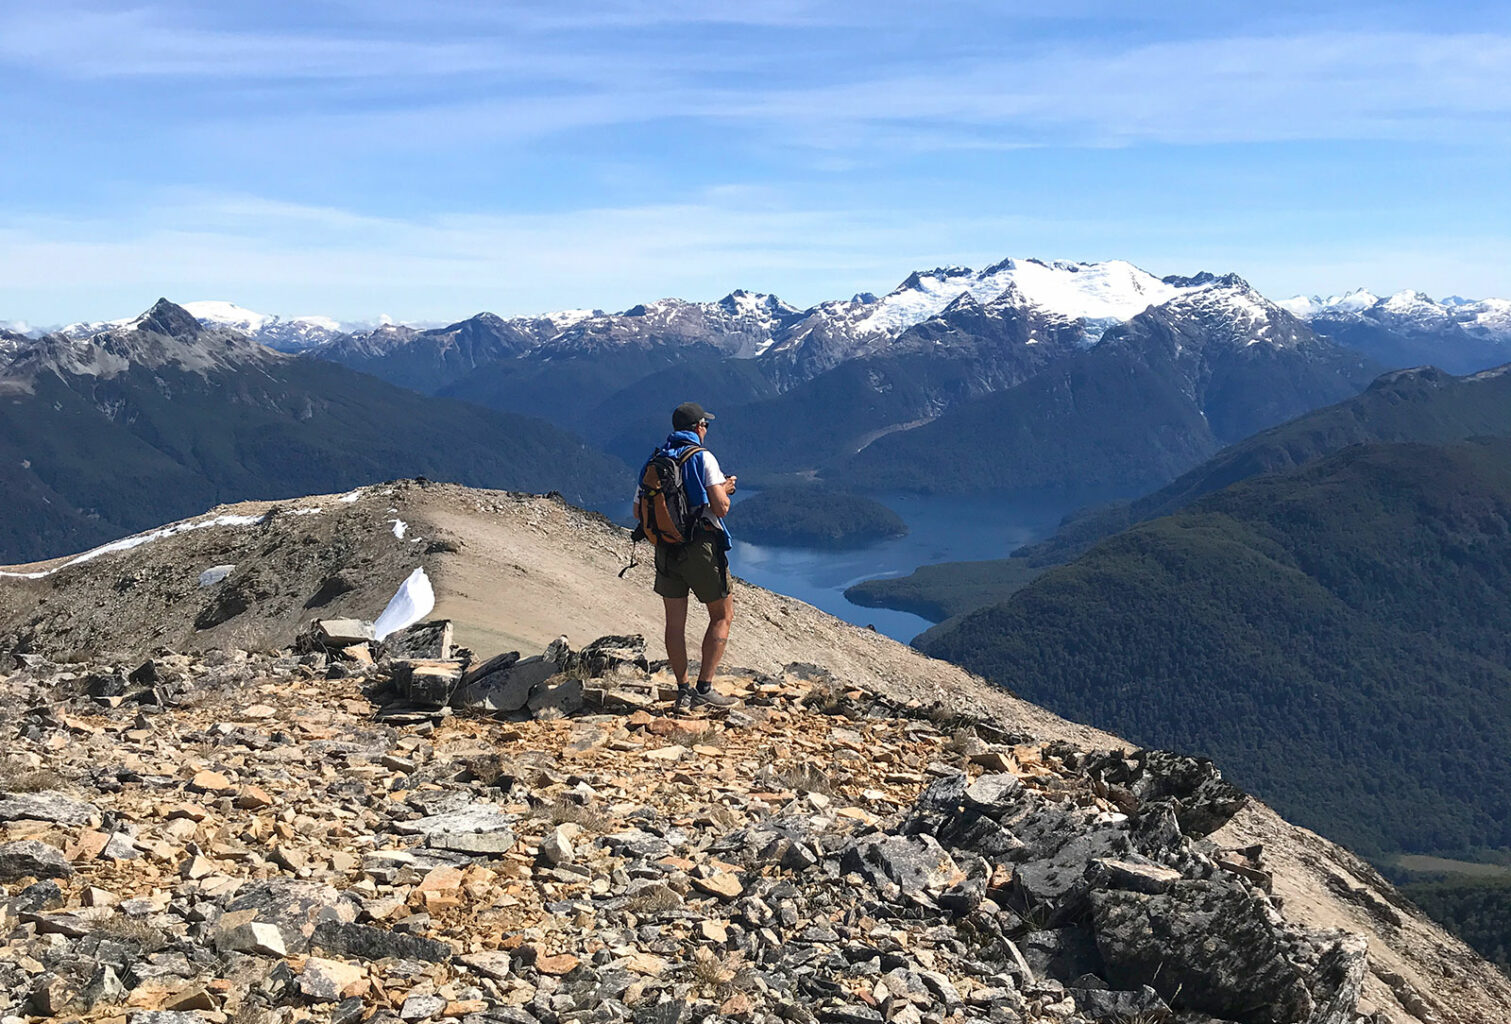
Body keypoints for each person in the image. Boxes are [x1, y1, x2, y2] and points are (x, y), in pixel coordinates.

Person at [638, 402, 739, 712]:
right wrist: (725, 489)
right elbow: (720, 508)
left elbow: (637, 511)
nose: (706, 430)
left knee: (674, 623)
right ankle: (704, 689)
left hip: (666, 548)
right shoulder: (702, 458)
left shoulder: (654, 461)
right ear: (698, 428)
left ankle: (682, 691)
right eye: (705, 425)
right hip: (700, 547)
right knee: (722, 615)